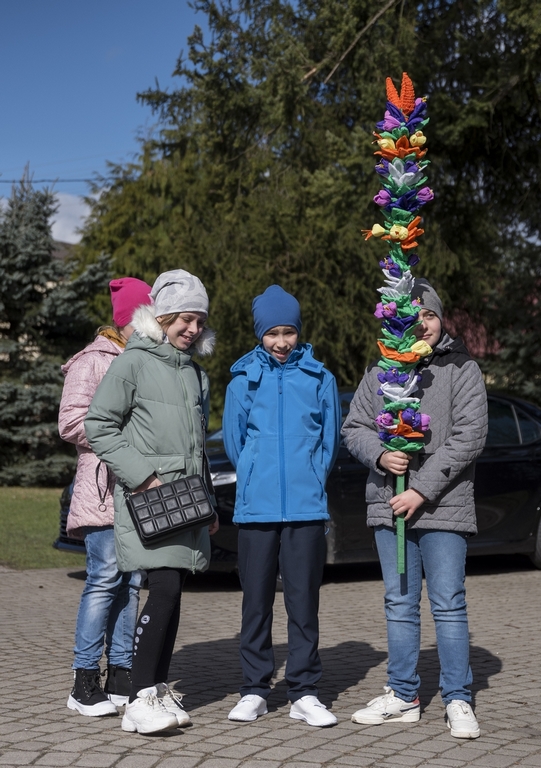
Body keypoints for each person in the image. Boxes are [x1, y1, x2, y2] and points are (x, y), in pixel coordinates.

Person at [341, 278, 488, 739]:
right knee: (400, 603)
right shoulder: (380, 368)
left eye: (430, 314)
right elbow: (355, 427)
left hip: (444, 505)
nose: (422, 323)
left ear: (440, 319)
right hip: (391, 504)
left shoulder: (462, 367)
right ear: (397, 318)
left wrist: (420, 490)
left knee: (448, 603)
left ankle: (458, 697)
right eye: (414, 314)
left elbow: (470, 436)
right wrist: (381, 455)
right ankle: (403, 694)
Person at [85, 269, 218, 735]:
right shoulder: (133, 363)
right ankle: (139, 698)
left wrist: (209, 503)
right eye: (185, 319)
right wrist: (142, 477)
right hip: (150, 500)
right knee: (163, 588)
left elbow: (198, 448)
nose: (193, 329)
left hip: (187, 503)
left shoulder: (194, 374)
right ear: (161, 317)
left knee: (173, 591)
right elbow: (98, 424)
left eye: (200, 321)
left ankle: (156, 688)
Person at [223, 285, 341, 727]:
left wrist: (309, 478)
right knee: (255, 603)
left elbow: (329, 443)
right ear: (260, 334)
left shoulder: (320, 379)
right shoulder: (241, 381)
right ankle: (254, 689)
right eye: (272, 333)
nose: (281, 341)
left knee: (303, 603)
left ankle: (304, 692)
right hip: (257, 508)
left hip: (306, 509)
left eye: (288, 332)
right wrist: (256, 475)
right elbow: (235, 443)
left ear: (298, 332)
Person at [59, 277, 152, 717]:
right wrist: (123, 433)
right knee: (104, 579)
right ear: (128, 320)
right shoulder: (93, 361)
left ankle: (120, 674)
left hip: (136, 490)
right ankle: (83, 682)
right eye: (147, 319)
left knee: (131, 582)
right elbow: (70, 422)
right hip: (101, 489)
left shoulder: (143, 359)